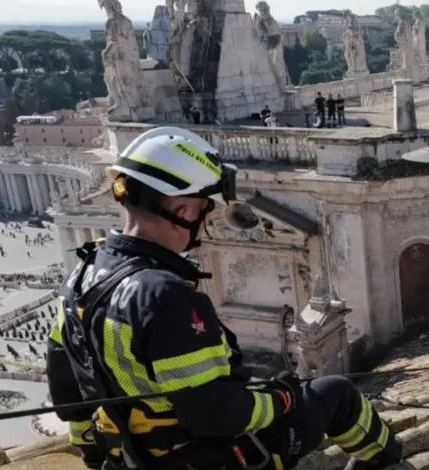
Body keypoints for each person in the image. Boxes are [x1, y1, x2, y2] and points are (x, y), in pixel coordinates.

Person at [46, 127, 402, 470]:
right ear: (183, 211)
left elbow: (68, 391)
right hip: (212, 458)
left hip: (128, 459)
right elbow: (216, 413)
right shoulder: (162, 295)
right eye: (204, 210)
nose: (204, 222)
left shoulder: (81, 276)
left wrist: (95, 457)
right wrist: (282, 398)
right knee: (336, 392)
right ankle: (390, 458)